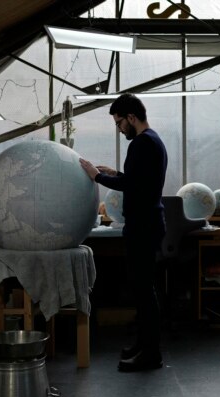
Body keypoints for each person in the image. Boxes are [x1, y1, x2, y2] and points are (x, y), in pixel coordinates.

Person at [80, 93, 168, 372]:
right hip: (148, 224)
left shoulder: (142, 143)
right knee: (143, 290)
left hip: (143, 227)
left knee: (144, 292)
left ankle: (151, 354)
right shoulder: (152, 140)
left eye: (120, 123)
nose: (119, 130)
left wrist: (97, 176)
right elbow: (139, 181)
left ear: (131, 118)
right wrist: (116, 173)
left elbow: (132, 186)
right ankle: (144, 346)